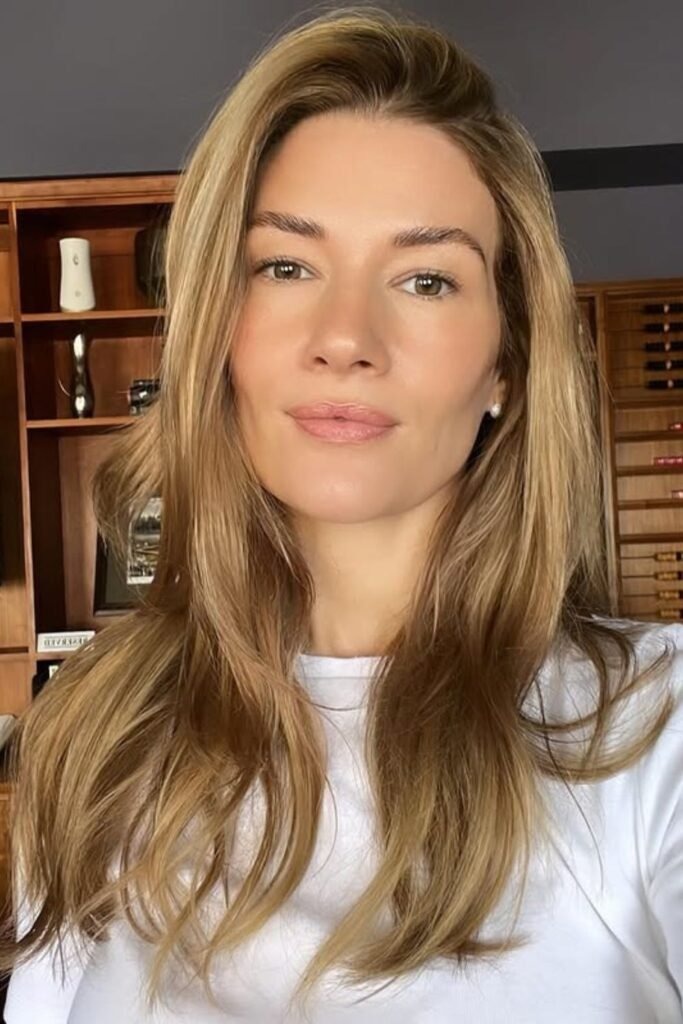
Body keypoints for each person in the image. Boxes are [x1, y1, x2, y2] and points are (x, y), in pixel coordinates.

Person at [2, 4, 682, 1022]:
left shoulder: (651, 731)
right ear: (218, 327)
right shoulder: (99, 734)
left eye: (424, 278)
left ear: (505, 361)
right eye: (285, 266)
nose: (346, 337)